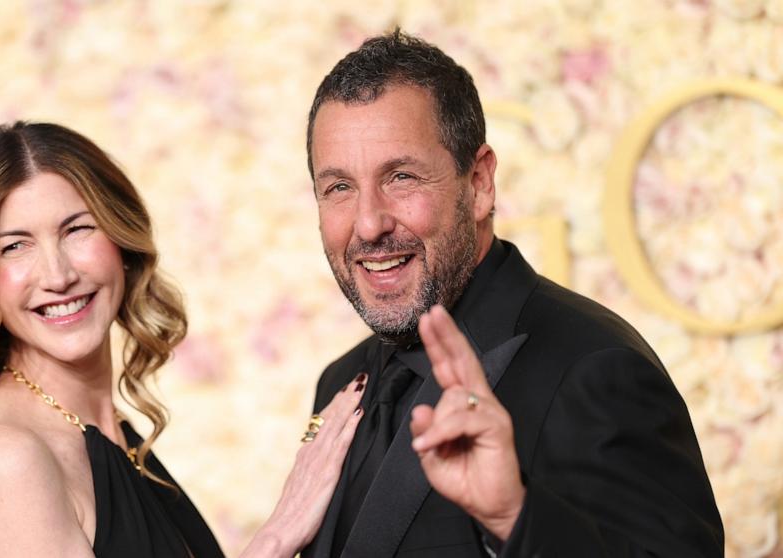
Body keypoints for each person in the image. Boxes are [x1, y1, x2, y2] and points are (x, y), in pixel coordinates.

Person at [302, 30, 724, 557]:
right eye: (339, 187)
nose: (368, 224)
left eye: (402, 177)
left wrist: (513, 518)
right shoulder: (342, 386)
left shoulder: (594, 369)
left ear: (478, 183)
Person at [0, 121, 365, 557]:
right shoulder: (7, 459)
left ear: (121, 240)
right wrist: (277, 536)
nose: (58, 275)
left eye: (77, 229)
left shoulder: (107, 432)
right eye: (14, 246)